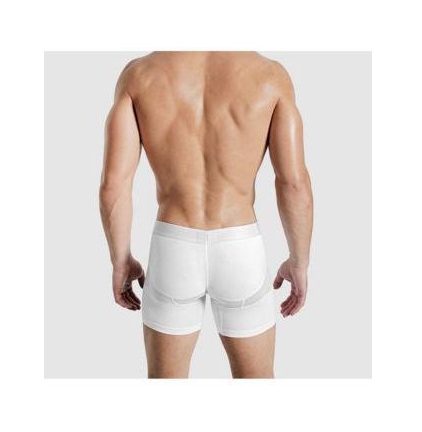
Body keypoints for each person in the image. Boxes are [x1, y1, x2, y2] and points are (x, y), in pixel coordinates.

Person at [100, 52, 313, 378]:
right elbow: (294, 184)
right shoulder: (270, 77)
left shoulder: (140, 75)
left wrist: (120, 260)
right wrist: (299, 261)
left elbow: (113, 185)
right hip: (240, 249)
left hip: (173, 248)